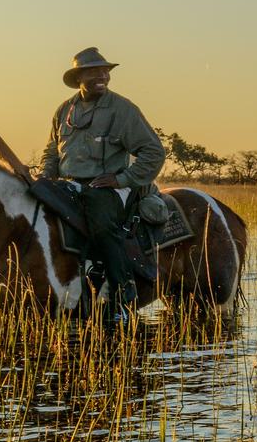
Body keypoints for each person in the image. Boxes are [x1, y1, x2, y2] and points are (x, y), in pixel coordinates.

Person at [40, 47, 166, 323]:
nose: (103, 75)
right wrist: (46, 175)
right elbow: (52, 150)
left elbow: (154, 152)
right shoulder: (64, 110)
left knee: (100, 223)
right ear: (79, 77)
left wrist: (123, 179)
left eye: (105, 70)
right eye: (94, 71)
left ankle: (122, 295)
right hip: (69, 185)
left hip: (109, 187)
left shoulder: (123, 109)